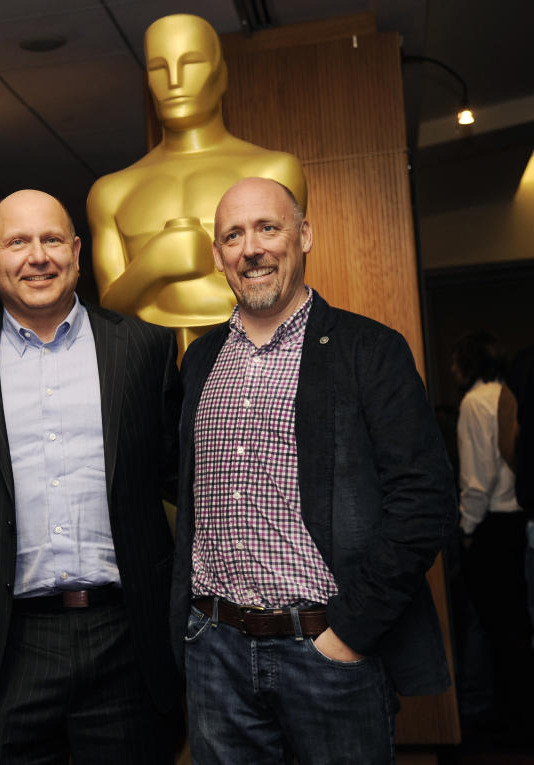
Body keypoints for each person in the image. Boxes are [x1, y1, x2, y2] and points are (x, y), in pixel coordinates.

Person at [170, 177, 456, 763]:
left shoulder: (368, 350)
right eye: (233, 235)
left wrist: (348, 634)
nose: (251, 248)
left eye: (268, 228)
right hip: (215, 652)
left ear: (304, 235)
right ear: (217, 256)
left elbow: (423, 503)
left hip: (327, 651)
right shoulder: (200, 360)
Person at [0, 189, 182, 763]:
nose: (36, 256)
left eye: (51, 240)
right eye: (18, 242)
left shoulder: (144, 350)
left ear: (76, 250)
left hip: (126, 640)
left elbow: (182, 481)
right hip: (4, 645)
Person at [87, 13, 307, 360]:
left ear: (221, 76)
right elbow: (109, 308)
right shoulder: (111, 191)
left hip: (253, 358)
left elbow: (284, 283)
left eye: (190, 64)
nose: (174, 81)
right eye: (159, 68)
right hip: (150, 373)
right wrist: (153, 265)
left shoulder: (272, 170)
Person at [452, 331, 530, 723]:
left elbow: (477, 479)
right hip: (518, 520)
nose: (451, 369)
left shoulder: (473, 403)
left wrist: (465, 529)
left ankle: (497, 714)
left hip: (491, 527)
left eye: (456, 360)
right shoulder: (508, 394)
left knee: (491, 625)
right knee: (517, 621)